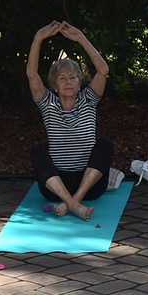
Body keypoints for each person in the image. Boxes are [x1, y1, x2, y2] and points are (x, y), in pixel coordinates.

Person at [26, 21, 112, 221]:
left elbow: (103, 70)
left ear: (80, 82)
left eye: (73, 77)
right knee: (38, 153)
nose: (68, 81)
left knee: (105, 145)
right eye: (62, 78)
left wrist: (81, 38)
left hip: (90, 186)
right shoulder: (48, 104)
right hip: (56, 187)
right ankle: (73, 204)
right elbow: (31, 75)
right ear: (54, 85)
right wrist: (38, 38)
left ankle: (73, 202)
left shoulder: (89, 100)